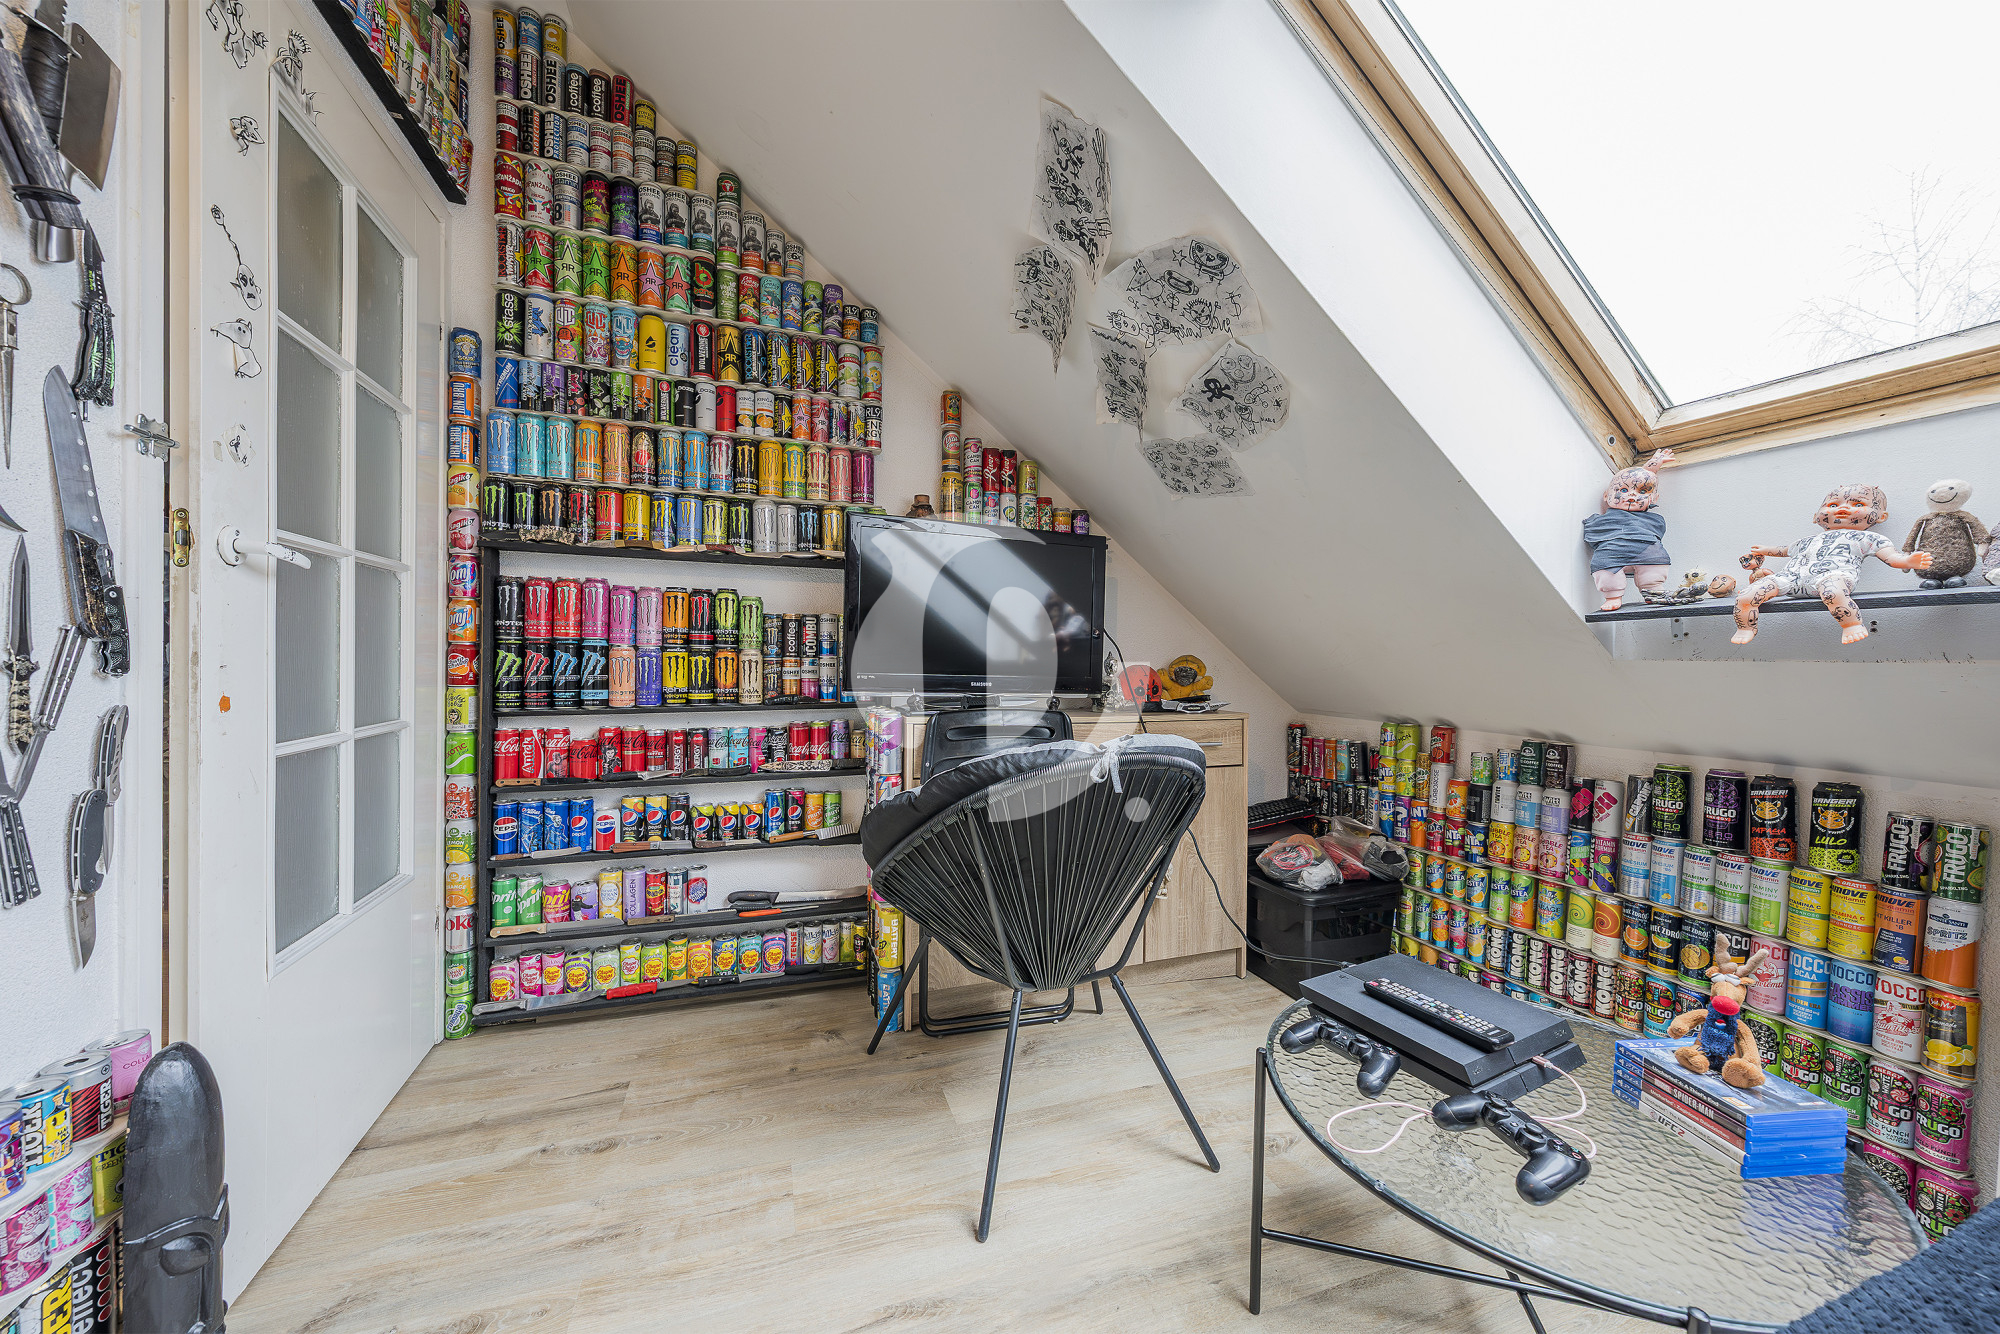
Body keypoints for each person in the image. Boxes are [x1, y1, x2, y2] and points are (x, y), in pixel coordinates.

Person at [1732, 484, 1932, 645]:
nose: (1843, 508)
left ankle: (1851, 624)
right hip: (1790, 578)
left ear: (1881, 516)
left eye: (1858, 504)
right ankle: (1746, 627)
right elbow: (1784, 550)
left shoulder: (1868, 537)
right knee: (1746, 595)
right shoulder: (1807, 540)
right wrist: (1765, 550)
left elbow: (1890, 556)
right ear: (1816, 516)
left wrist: (1907, 561)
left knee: (1833, 593)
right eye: (1833, 505)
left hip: (1833, 576)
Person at [1581, 449, 1674, 610]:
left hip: (1646, 550)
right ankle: (1613, 596)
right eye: (1623, 490)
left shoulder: (1651, 520)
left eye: (1642, 492)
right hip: (1612, 552)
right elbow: (1637, 479)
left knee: (1656, 563)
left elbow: (1641, 478)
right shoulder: (1605, 519)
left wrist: (1653, 467)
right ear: (1606, 495)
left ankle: (1653, 591)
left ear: (1654, 499)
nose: (1632, 496)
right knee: (1604, 566)